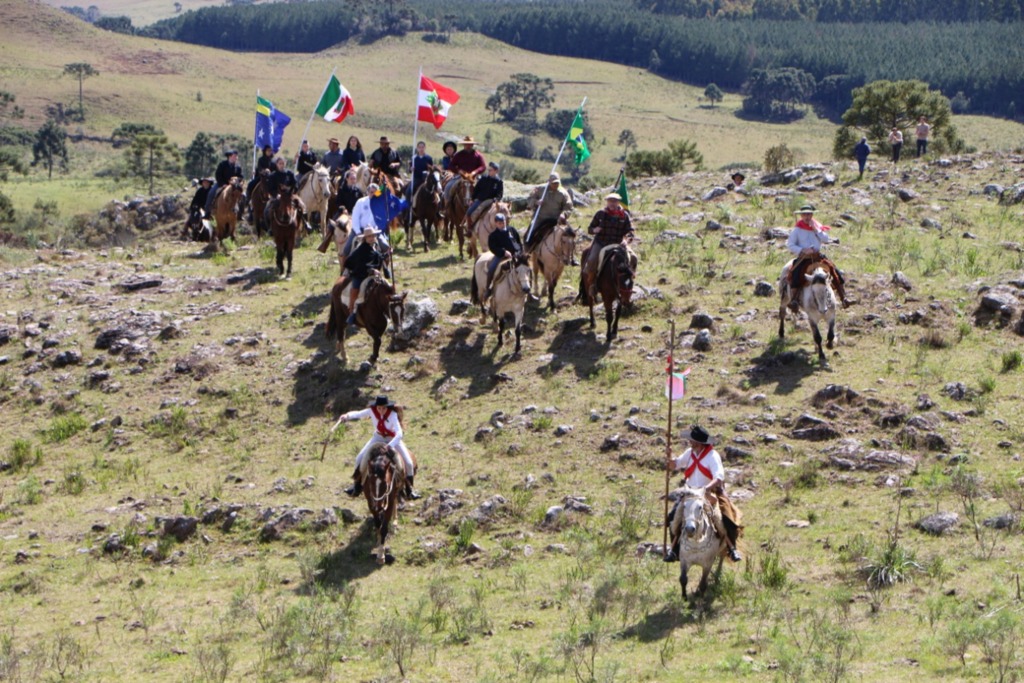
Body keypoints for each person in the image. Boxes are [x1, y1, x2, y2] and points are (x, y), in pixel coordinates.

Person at [663, 425, 743, 563]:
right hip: (690, 493)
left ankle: (731, 548)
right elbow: (674, 465)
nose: (690, 442)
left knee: (724, 517)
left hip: (708, 492)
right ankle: (675, 550)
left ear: (699, 443)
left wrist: (706, 489)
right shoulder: (689, 453)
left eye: (692, 440)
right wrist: (669, 457)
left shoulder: (713, 456)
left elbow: (718, 478)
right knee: (673, 518)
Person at [333, 395, 419, 499]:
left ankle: (410, 490)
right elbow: (358, 414)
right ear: (376, 407)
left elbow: (399, 433)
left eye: (383, 408)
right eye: (379, 408)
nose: (381, 410)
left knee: (409, 463)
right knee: (359, 458)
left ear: (387, 407)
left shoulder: (392, 415)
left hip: (392, 439)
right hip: (377, 437)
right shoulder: (371, 411)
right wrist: (347, 416)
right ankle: (356, 486)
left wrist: (390, 446)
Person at [787, 204, 847, 309]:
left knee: (835, 271)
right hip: (804, 258)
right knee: (795, 274)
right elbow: (790, 245)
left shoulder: (817, 227)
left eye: (809, 214)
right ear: (801, 216)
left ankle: (844, 298)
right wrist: (803, 250)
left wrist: (816, 230)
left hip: (818, 257)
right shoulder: (797, 230)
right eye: (805, 214)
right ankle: (794, 300)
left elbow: (825, 239)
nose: (807, 217)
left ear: (812, 215)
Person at [582, 193, 633, 300]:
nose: (612, 203)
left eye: (614, 201)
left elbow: (630, 232)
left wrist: (626, 240)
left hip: (618, 244)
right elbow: (590, 228)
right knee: (592, 260)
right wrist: (594, 230)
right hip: (601, 243)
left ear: (618, 202)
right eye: (610, 201)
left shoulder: (624, 215)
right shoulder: (600, 214)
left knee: (634, 258)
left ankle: (628, 282)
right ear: (607, 202)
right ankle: (592, 284)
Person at [341, 227, 387, 327]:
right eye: (369, 236)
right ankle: (352, 312)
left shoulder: (374, 247)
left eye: (373, 236)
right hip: (360, 274)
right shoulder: (361, 250)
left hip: (373, 275)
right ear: (365, 238)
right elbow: (360, 263)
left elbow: (378, 257)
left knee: (386, 286)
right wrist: (371, 270)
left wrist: (387, 254)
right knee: (355, 289)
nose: (371, 238)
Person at [525, 172, 573, 251]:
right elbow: (529, 199)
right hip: (540, 218)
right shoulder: (540, 189)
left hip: (556, 219)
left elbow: (569, 207)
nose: (555, 185)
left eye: (557, 183)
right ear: (549, 182)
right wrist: (536, 202)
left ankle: (570, 254)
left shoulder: (563, 193)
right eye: (553, 183)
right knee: (530, 234)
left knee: (570, 234)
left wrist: (564, 214)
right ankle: (527, 252)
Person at [484, 213, 523, 300]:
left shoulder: (512, 230)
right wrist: (504, 252)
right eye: (500, 223)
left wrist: (520, 251)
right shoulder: (493, 235)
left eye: (504, 222)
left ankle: (528, 290)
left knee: (526, 268)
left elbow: (518, 242)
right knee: (491, 269)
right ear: (496, 223)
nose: (502, 224)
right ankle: (488, 288)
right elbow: (493, 247)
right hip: (501, 256)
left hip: (515, 254)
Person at [442, 136, 486, 205]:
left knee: (484, 188)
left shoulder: (478, 155)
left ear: (472, 145)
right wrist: (459, 171)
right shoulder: (459, 155)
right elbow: (451, 165)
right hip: (461, 176)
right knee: (449, 186)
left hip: (474, 177)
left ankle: (483, 206)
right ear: (464, 145)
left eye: (470, 144)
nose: (468, 146)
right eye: (466, 144)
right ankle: (447, 205)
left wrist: (475, 172)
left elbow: (483, 166)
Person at [466, 162, 503, 230]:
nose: (489, 171)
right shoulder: (483, 178)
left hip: (491, 201)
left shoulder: (499, 182)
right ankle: (469, 228)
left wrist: (495, 200)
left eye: (491, 170)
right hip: (480, 199)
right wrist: (472, 199)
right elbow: (476, 189)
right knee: (469, 212)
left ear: (496, 171)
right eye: (488, 170)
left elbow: (500, 194)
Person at [206, 149, 243, 217]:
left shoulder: (238, 167)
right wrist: (222, 184)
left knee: (243, 196)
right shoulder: (222, 164)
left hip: (234, 186)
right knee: (211, 192)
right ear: (230, 157)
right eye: (234, 156)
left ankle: (240, 214)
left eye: (236, 156)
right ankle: (207, 212)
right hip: (222, 183)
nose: (236, 158)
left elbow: (240, 176)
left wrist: (238, 181)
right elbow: (218, 175)